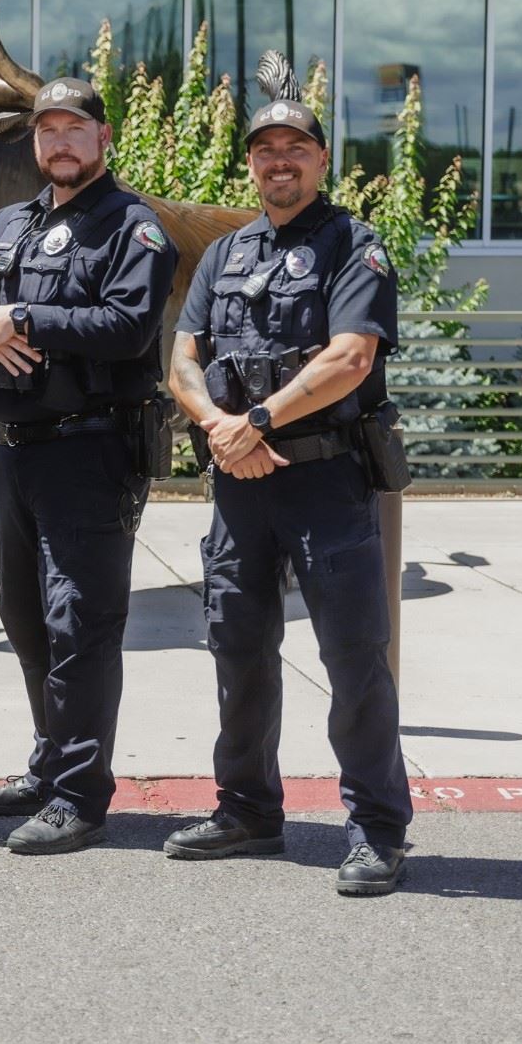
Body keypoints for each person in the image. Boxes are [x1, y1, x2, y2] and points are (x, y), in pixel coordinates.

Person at [165, 67, 415, 896]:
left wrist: (257, 421)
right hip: (240, 481)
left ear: (321, 158)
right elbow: (184, 358)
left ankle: (378, 827)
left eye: (295, 149)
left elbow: (351, 358)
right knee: (236, 647)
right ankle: (247, 810)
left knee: (353, 657)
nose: (280, 162)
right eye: (265, 150)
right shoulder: (228, 251)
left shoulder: (354, 243)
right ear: (251, 165)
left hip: (325, 482)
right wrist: (217, 427)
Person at [0, 76, 177, 855]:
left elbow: (128, 323)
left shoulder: (131, 226)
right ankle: (49, 766)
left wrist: (21, 315)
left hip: (92, 448)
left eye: (74, 129)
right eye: (47, 132)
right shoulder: (10, 223)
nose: (59, 143)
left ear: (102, 140)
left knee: (80, 624)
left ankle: (81, 793)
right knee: (22, 616)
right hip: (14, 453)